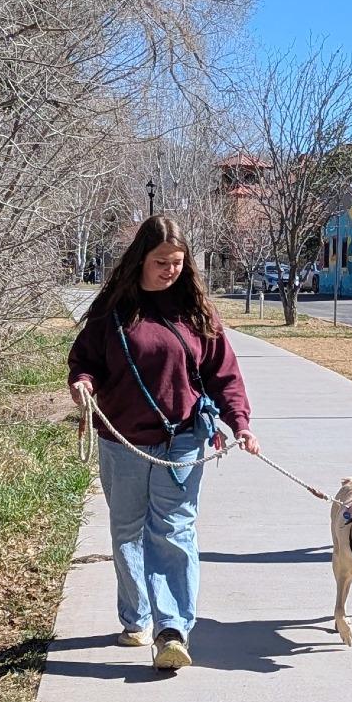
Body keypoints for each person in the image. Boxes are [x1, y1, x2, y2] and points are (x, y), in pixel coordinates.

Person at [68, 216, 261, 671]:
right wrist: (82, 383)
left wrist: (241, 423)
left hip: (183, 441)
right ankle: (135, 618)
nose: (170, 270)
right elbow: (84, 360)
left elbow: (224, 373)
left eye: (178, 262)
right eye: (161, 262)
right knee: (127, 531)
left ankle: (172, 630)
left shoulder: (196, 312)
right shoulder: (112, 311)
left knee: (173, 531)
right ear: (140, 260)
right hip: (123, 441)